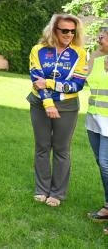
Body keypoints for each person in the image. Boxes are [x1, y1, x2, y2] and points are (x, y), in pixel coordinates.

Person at [29, 13, 87, 207]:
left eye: (72, 31)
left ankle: (57, 192)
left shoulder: (80, 53)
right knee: (42, 147)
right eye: (64, 30)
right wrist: (48, 103)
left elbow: (77, 85)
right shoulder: (38, 50)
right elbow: (36, 80)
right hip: (40, 104)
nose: (69, 34)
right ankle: (41, 189)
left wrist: (50, 83)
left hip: (68, 107)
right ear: (54, 30)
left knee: (62, 149)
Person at [85, 25, 108, 234]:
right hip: (94, 120)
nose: (99, 39)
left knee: (106, 163)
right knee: (102, 165)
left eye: (103, 36)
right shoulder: (96, 58)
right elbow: (80, 79)